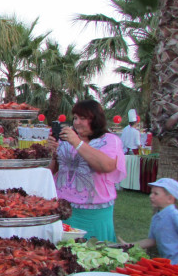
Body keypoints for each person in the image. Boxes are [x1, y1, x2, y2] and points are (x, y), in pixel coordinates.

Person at [48, 100, 126, 242]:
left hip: (94, 212)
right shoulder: (65, 140)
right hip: (64, 208)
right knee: (64, 249)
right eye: (75, 118)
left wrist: (77, 143)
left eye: (83, 118)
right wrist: (51, 153)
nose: (77, 122)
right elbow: (51, 171)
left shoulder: (109, 140)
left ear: (96, 119)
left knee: (95, 249)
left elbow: (106, 166)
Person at [121, 178, 178, 272]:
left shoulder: (175, 216)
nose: (151, 196)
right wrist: (130, 246)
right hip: (169, 266)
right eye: (151, 193)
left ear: (169, 198)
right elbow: (152, 240)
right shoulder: (156, 217)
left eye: (156, 194)